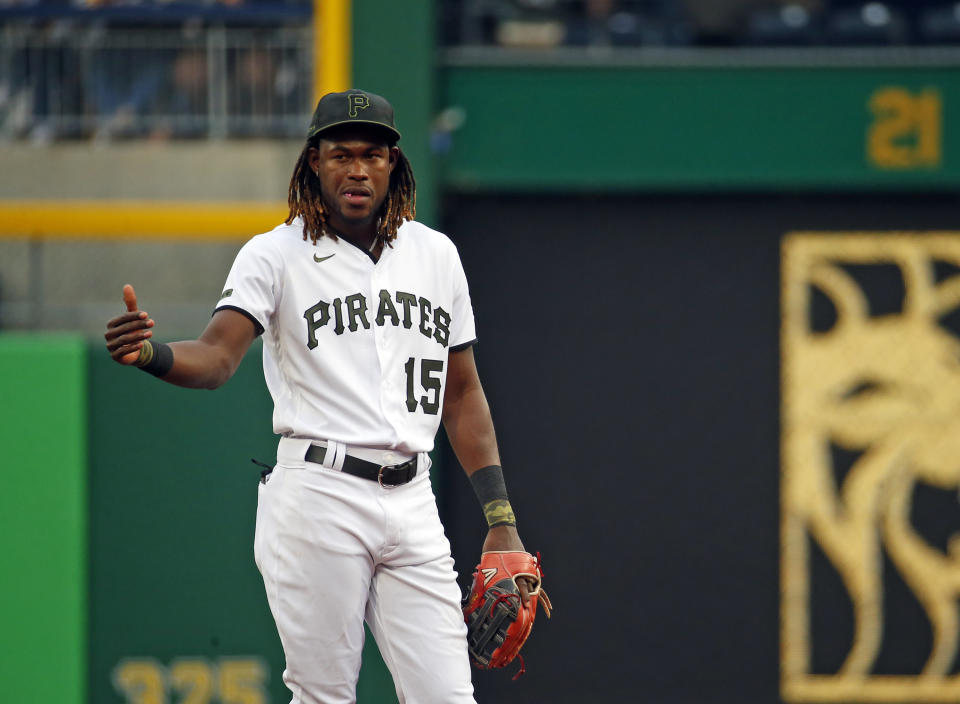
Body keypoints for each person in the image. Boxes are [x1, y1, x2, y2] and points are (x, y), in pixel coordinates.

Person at [104, 89, 535, 704]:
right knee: (325, 695)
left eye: (372, 154)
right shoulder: (275, 254)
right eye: (340, 154)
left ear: (394, 164)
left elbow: (462, 395)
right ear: (313, 161)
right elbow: (218, 356)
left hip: (413, 499)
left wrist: (501, 519)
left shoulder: (436, 255)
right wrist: (151, 354)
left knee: (447, 697)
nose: (356, 169)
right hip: (319, 493)